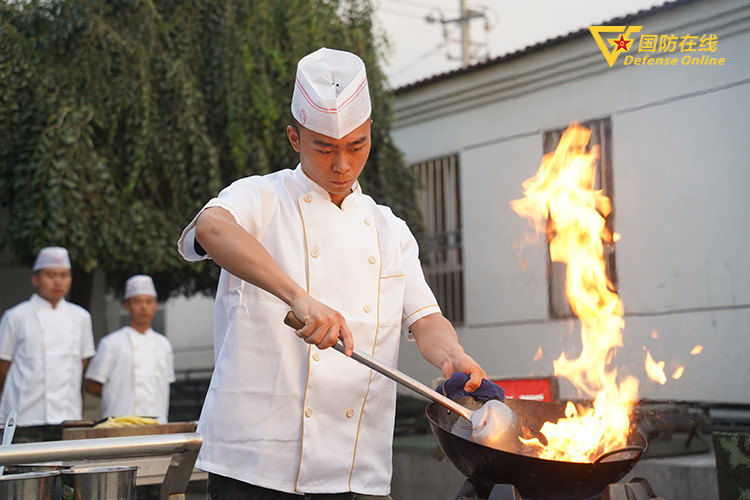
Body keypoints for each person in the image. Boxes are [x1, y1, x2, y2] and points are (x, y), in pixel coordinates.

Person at [178, 47, 488, 499]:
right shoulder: (261, 198)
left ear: (370, 135)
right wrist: (297, 295)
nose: (342, 164)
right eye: (324, 148)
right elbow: (211, 227)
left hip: (355, 467)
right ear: (294, 138)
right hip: (255, 464)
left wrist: (451, 355)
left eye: (356, 146)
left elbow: (424, 320)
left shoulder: (390, 229)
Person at [0, 246, 96, 426]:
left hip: (68, 413)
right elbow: (3, 366)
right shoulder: (16, 316)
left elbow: (81, 362)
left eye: (64, 275)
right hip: (24, 414)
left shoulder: (81, 317)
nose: (58, 282)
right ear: (35, 279)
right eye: (50, 275)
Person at [84, 275, 175, 423]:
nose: (143, 307)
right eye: (137, 302)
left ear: (155, 305)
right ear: (127, 306)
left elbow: (164, 385)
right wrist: (116, 393)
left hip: (157, 423)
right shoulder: (111, 343)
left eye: (148, 302)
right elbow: (92, 385)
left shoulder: (164, 345)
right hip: (120, 422)